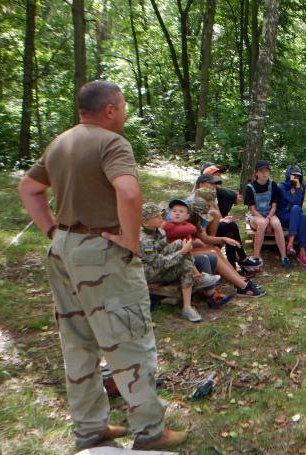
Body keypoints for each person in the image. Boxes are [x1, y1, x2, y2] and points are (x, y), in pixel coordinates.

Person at [17, 80, 185, 449]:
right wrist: (130, 240)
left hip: (63, 249)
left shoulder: (60, 143)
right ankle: (150, 432)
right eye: (123, 107)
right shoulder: (112, 143)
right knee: (130, 339)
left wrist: (53, 231)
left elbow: (28, 188)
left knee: (77, 343)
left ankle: (90, 428)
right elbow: (128, 191)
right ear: (109, 110)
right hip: (102, 253)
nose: (124, 113)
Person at [165, 199, 263, 299]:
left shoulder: (190, 222)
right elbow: (184, 240)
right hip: (179, 256)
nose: (202, 220)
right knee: (213, 253)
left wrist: (224, 239)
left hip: (186, 252)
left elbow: (205, 238)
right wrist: (196, 242)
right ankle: (242, 286)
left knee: (215, 249)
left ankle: (240, 280)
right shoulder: (177, 223)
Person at [140, 202, 208, 323]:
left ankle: (197, 277)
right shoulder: (144, 240)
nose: (161, 218)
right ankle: (187, 306)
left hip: (159, 263)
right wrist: (181, 252)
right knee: (185, 263)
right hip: (149, 272)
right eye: (156, 216)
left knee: (180, 243)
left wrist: (181, 249)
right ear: (145, 222)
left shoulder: (159, 230)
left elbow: (164, 250)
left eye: (160, 215)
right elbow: (157, 263)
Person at [196, 165, 259, 273]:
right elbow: (201, 223)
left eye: (215, 183)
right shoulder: (196, 200)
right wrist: (220, 221)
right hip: (201, 234)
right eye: (211, 183)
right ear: (202, 184)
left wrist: (223, 219)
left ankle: (234, 266)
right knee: (229, 227)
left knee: (229, 228)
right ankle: (240, 261)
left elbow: (218, 213)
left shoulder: (212, 195)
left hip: (210, 228)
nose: (214, 186)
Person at [244, 160, 290, 269]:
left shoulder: (272, 184)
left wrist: (268, 218)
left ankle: (284, 256)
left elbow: (274, 205)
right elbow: (252, 209)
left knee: (277, 223)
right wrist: (265, 221)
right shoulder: (250, 187)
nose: (264, 173)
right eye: (261, 171)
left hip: (270, 213)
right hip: (255, 215)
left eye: (266, 171)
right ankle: (256, 257)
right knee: (262, 223)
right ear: (256, 173)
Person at [276, 165, 306, 267]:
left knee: (301, 215)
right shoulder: (281, 187)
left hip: (295, 215)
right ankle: (297, 248)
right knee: (298, 211)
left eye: (298, 176)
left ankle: (297, 248)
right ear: (288, 175)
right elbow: (294, 201)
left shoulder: (300, 186)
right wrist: (297, 188)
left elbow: (299, 204)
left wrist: (298, 187)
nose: (296, 178)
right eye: (293, 175)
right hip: (283, 215)